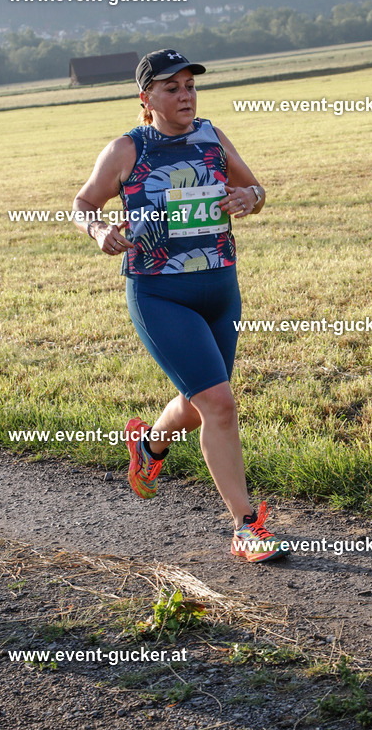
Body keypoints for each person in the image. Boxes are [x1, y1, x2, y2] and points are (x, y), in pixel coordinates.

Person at [72, 48, 288, 563]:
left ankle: (148, 446)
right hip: (160, 292)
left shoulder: (212, 136)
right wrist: (99, 229)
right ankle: (245, 528)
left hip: (221, 286)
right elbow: (82, 203)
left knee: (199, 403)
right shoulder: (128, 148)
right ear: (146, 99)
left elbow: (256, 189)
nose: (186, 95)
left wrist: (249, 198)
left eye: (190, 85)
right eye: (172, 88)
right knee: (220, 404)